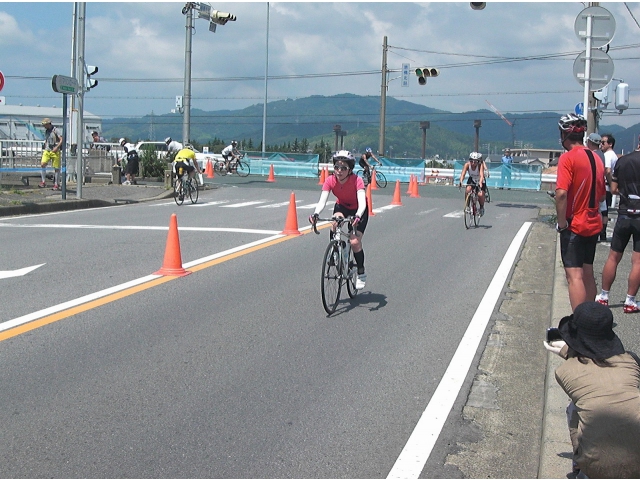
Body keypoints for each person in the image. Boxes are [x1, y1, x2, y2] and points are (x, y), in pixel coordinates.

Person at [543, 301, 640, 479]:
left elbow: (588, 375)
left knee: (574, 408)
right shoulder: (632, 361)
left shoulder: (564, 372)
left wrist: (568, 352)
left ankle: (579, 467)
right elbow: (603, 371)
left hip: (598, 470)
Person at [555, 113, 606, 311]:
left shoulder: (567, 159)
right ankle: (591, 318)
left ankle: (579, 324)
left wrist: (562, 224)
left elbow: (561, 194)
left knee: (574, 276)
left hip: (575, 223)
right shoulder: (596, 158)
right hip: (594, 222)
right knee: (587, 272)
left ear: (564, 135)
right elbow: (602, 195)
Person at [309, 150, 369, 290]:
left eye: (343, 168)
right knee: (335, 223)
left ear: (350, 170)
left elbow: (362, 202)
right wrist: (316, 213)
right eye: (336, 167)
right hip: (342, 206)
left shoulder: (357, 180)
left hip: (359, 210)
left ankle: (361, 272)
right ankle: (335, 251)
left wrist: (358, 215)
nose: (339, 171)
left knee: (354, 241)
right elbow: (322, 201)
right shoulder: (330, 180)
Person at [595, 144, 640, 313]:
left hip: (624, 213)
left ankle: (604, 297)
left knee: (613, 257)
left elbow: (613, 189)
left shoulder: (624, 160)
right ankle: (630, 301)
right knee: (638, 261)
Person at [586, 133, 608, 242]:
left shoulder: (591, 155)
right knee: (603, 211)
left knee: (594, 210)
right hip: (602, 185)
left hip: (592, 187)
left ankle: (594, 232)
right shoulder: (602, 154)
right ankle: (601, 233)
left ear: (589, 142)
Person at [600, 134, 618, 242]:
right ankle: (602, 233)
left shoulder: (608, 155)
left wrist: (611, 184)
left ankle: (601, 233)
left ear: (610, 144)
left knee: (602, 210)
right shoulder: (613, 155)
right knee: (604, 210)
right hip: (608, 186)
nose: (601, 145)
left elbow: (607, 170)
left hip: (606, 186)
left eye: (603, 142)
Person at [458, 151, 486, 216]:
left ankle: (481, 207)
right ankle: (467, 206)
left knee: (480, 194)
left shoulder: (480, 166)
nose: (473, 163)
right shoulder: (467, 165)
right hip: (472, 179)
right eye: (471, 161)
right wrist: (461, 181)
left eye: (475, 161)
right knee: (468, 190)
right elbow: (463, 174)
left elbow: (481, 175)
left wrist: (480, 183)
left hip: (479, 180)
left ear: (478, 161)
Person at [39, 118, 63, 190]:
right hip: (47, 150)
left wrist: (57, 147)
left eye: (45, 125)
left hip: (55, 150)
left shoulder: (56, 130)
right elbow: (47, 139)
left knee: (56, 168)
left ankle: (56, 184)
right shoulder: (46, 131)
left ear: (48, 124)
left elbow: (61, 139)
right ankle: (43, 182)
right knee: (43, 164)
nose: (44, 126)